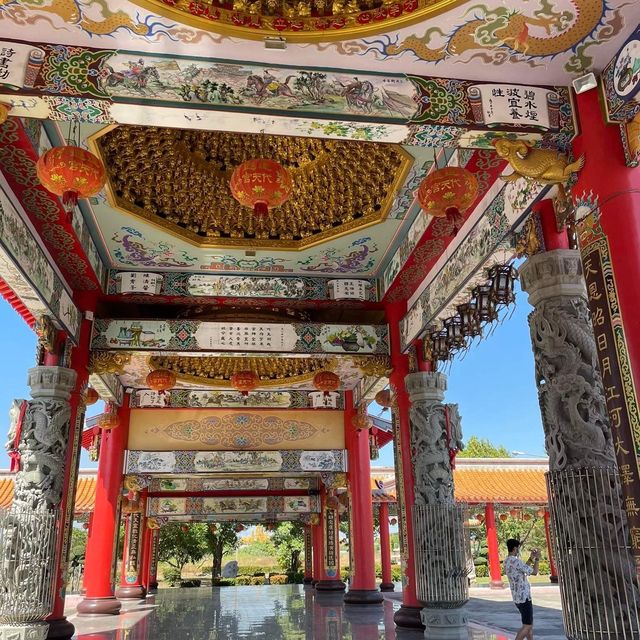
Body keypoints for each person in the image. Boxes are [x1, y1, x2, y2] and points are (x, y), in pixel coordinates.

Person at [504, 538, 540, 640]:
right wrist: (537, 559)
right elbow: (534, 572)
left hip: (517, 597)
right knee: (527, 626)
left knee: (529, 625)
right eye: (518, 548)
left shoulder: (507, 561)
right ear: (515, 548)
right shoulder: (516, 561)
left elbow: (523, 569)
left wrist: (531, 558)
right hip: (524, 597)